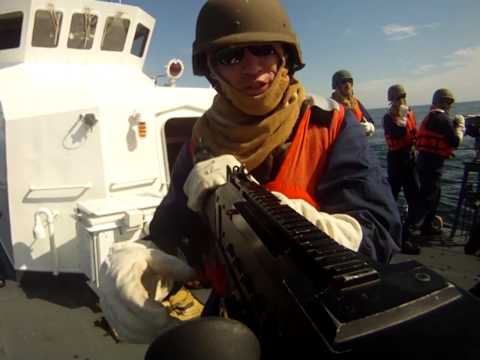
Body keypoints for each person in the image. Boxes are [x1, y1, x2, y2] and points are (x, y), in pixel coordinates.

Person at [100, 0, 402, 349]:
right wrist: (140, 257)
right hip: (233, 311)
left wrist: (283, 218)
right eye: (230, 56)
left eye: (263, 50)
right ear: (212, 68)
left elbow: (378, 232)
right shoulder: (201, 140)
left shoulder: (329, 124)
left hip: (327, 322)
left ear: (284, 55)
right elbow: (174, 227)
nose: (251, 67)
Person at [415, 88, 465, 236]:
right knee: (428, 198)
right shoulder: (442, 119)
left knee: (434, 195)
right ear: (438, 103)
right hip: (431, 164)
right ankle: (409, 231)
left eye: (449, 102)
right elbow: (454, 141)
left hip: (425, 161)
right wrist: (460, 127)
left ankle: (426, 225)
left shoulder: (431, 116)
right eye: (446, 102)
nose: (448, 105)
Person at [382, 84, 421, 254]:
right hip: (396, 160)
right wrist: (403, 116)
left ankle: (406, 237)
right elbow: (397, 133)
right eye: (397, 97)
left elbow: (414, 134)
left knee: (415, 197)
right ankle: (385, 231)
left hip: (410, 158)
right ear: (391, 100)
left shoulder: (410, 113)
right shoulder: (388, 118)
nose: (401, 100)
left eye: (403, 96)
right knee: (392, 196)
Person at [331, 69, 375, 136]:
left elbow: (369, 120)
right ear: (336, 85)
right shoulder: (331, 105)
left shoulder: (356, 102)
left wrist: (369, 126)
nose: (348, 84)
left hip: (360, 144)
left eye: (350, 81)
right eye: (343, 82)